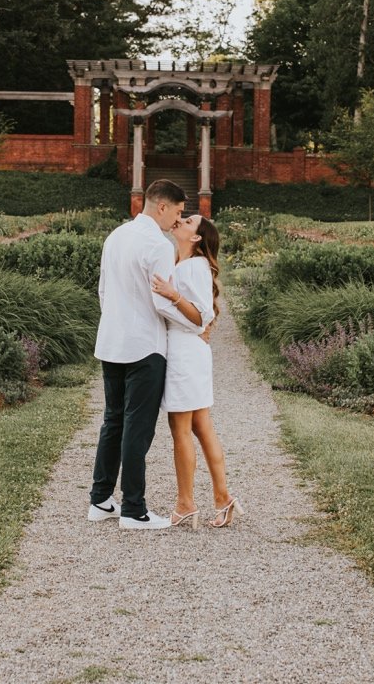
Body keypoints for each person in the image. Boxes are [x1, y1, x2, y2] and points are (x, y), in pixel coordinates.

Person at [87, 179, 194, 530]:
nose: (176, 221)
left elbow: (103, 290)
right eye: (177, 212)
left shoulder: (115, 236)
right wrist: (195, 322)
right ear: (161, 206)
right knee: (138, 427)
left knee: (113, 420)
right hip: (145, 347)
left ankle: (101, 500)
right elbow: (161, 302)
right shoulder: (158, 244)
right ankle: (134, 510)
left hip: (112, 342)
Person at [151, 214, 241, 529]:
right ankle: (223, 498)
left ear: (196, 237)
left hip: (184, 354)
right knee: (202, 427)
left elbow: (201, 315)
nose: (181, 220)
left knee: (181, 430)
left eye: (188, 220)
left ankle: (186, 503)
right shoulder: (186, 264)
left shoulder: (192, 266)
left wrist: (171, 294)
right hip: (191, 351)